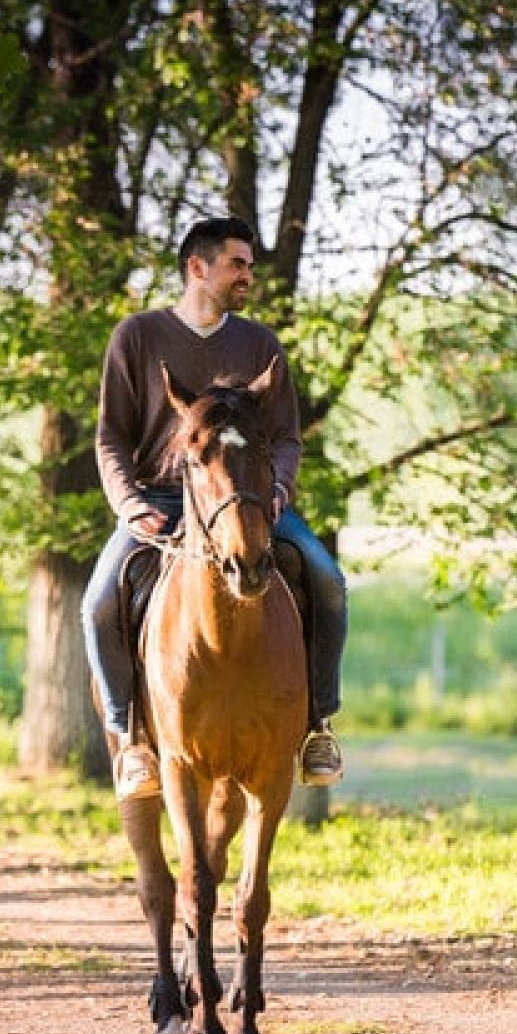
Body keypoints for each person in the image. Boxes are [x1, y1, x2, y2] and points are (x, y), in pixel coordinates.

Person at [82, 216, 348, 800]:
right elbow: (111, 438)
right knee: (99, 602)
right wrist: (128, 505)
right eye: (238, 264)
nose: (248, 274)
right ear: (197, 268)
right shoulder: (137, 336)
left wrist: (276, 489)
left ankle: (318, 726)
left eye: (249, 265)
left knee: (327, 579)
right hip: (159, 498)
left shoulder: (260, 346)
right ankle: (131, 739)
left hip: (248, 501)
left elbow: (285, 437)